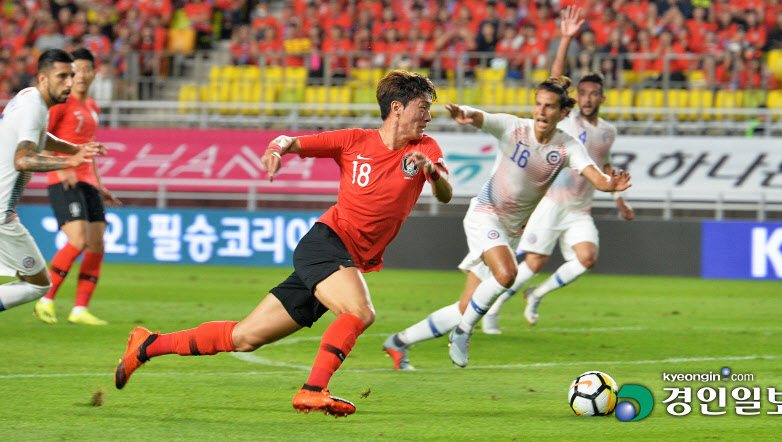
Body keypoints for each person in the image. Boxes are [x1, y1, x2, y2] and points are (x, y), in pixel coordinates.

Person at [114, 70, 452, 417]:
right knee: (359, 312)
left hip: (343, 260)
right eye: (422, 108)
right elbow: (288, 140)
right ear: (397, 107)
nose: (428, 117)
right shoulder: (353, 141)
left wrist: (432, 171)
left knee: (245, 337)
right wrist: (275, 150)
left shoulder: (426, 148)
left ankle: (148, 345)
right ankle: (312, 390)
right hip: (326, 244)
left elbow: (445, 194)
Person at [383, 76, 631, 369]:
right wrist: (465, 113)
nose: (541, 111)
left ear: (563, 114)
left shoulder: (567, 147)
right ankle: (463, 333)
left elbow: (597, 177)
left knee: (467, 305)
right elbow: (481, 117)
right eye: (538, 104)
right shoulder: (515, 128)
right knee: (507, 274)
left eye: (549, 107)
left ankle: (398, 342)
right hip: (485, 215)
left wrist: (610, 183)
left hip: (511, 231)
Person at [481, 8, 634, 334]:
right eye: (583, 93)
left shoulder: (608, 132)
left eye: (594, 94)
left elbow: (603, 166)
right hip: (552, 202)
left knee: (587, 258)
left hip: (580, 208)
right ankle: (493, 308)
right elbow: (553, 80)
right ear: (576, 98)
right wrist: (565, 39)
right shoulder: (566, 121)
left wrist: (617, 196)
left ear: (602, 98)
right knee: (533, 263)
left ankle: (537, 294)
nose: (588, 98)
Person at [0, 49, 103, 314]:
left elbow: (42, 137)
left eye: (71, 75)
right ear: (43, 79)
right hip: (1, 216)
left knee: (30, 278)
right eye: (62, 76)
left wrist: (75, 149)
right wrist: (69, 162)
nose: (69, 82)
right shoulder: (36, 107)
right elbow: (23, 159)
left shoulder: (28, 98)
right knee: (37, 284)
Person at [33, 48, 122, 326]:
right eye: (76, 71)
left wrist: (100, 185)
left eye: (86, 70)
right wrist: (61, 167)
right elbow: (43, 138)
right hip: (63, 178)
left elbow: (90, 148)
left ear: (95, 73)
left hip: (87, 180)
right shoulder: (62, 103)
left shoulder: (92, 107)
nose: (81, 76)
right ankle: (46, 300)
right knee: (79, 240)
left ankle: (80, 309)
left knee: (97, 244)